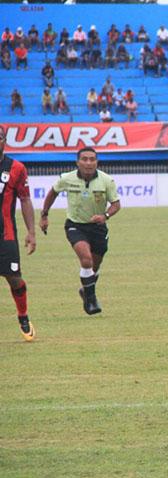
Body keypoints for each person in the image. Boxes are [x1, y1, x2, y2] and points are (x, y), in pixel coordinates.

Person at [39, 148, 120, 315]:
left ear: (97, 162)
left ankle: (86, 291)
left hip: (98, 228)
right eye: (84, 159)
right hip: (75, 226)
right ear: (78, 162)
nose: (88, 163)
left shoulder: (107, 180)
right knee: (86, 259)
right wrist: (44, 215)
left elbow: (116, 204)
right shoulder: (66, 178)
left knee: (95, 265)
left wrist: (105, 215)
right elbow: (52, 193)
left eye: (92, 159)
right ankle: (91, 300)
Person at [0, 126, 36, 341]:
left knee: (14, 278)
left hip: (5, 235)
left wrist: (31, 232)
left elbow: (25, 199)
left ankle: (23, 315)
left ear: (5, 140)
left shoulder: (16, 168)